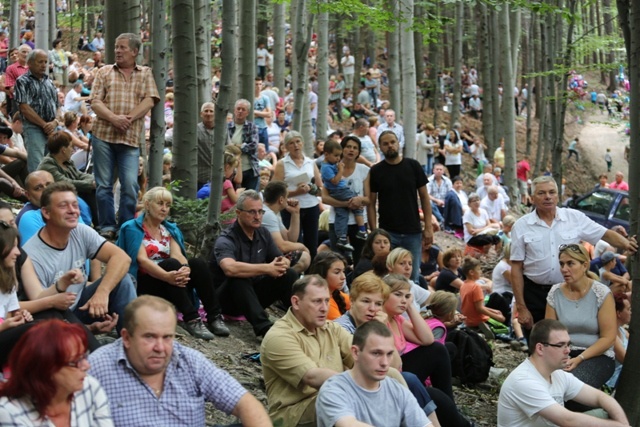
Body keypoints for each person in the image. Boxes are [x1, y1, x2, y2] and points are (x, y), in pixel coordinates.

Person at [89, 295, 270, 426]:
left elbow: (245, 402)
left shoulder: (189, 360)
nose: (160, 347)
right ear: (126, 337)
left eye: (167, 337)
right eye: (150, 337)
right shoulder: (98, 368)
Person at [510, 176, 636, 334]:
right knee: (538, 344)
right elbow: (515, 268)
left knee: (568, 340)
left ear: (558, 195)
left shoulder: (574, 218)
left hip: (570, 291)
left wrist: (626, 244)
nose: (547, 197)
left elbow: (605, 234)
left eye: (552, 192)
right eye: (541, 193)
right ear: (533, 197)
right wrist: (521, 307)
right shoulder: (521, 226)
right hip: (535, 293)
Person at [22, 182, 137, 334]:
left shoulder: (80, 231)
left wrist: (101, 292)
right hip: (56, 316)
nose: (72, 211)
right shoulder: (32, 255)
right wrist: (89, 329)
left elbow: (122, 258)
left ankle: (134, 339)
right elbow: (40, 307)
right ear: (46, 213)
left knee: (124, 280)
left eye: (75, 205)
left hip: (82, 303)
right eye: (63, 206)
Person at [117, 187, 228, 339]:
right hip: (145, 282)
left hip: (171, 279)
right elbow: (142, 261)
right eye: (160, 203)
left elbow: (178, 254)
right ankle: (192, 319)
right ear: (148, 204)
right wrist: (167, 276)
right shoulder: (132, 228)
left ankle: (215, 316)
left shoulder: (169, 229)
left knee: (197, 263)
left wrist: (186, 269)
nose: (164, 209)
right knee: (171, 264)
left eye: (168, 205)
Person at [90, 33, 160, 240]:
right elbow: (95, 101)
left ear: (135, 51)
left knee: (130, 185)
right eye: (116, 47)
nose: (117, 51)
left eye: (122, 47)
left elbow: (150, 100)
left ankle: (126, 226)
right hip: (103, 136)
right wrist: (113, 118)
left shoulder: (145, 73)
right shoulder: (104, 71)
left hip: (129, 139)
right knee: (104, 185)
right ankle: (106, 226)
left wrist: (127, 119)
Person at [497, 319, 630, 427]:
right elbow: (567, 420)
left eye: (568, 344)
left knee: (606, 414)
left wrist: (622, 423)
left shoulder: (558, 374)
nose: (567, 351)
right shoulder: (524, 381)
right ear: (540, 348)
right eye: (560, 345)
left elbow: (600, 397)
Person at [260, 275, 355, 426]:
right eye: (317, 301)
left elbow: (365, 359)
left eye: (326, 300)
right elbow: (312, 377)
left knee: (392, 377)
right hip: (292, 414)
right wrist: (359, 387)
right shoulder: (279, 336)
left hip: (334, 397)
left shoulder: (331, 328)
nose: (324, 308)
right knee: (340, 400)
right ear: (296, 302)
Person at [212, 190, 298, 337]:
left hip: (254, 295)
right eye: (252, 212)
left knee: (289, 274)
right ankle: (265, 329)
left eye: (260, 212)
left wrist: (282, 263)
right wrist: (267, 268)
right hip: (227, 299)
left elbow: (279, 258)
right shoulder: (227, 238)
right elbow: (230, 268)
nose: (257, 216)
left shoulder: (263, 233)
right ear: (238, 213)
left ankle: (301, 319)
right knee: (239, 277)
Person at [316, 321, 432, 427]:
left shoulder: (396, 389)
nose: (385, 363)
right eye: (376, 353)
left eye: (389, 354)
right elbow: (347, 424)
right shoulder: (334, 389)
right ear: (355, 353)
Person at [0, 320, 114, 426]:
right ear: (46, 368)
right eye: (76, 361)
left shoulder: (89, 386)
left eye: (84, 356)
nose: (87, 366)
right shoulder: (9, 412)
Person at [545, 243, 616, 392]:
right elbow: (550, 333)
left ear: (585, 265)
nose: (564, 269)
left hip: (596, 355)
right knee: (538, 384)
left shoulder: (601, 293)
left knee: (571, 388)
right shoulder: (555, 292)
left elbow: (608, 338)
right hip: (563, 352)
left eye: (570, 263)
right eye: (562, 264)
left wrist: (579, 359)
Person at [367, 130, 433, 282]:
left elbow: (424, 197)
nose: (390, 146)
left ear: (398, 144)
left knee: (413, 276)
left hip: (413, 231)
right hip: (388, 233)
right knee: (387, 277)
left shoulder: (413, 166)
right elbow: (371, 203)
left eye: (392, 142)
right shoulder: (376, 171)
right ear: (380, 148)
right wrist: (374, 230)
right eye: (385, 144)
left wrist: (428, 226)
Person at [382, 274, 455, 401]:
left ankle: (449, 403)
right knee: (438, 351)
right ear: (383, 295)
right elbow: (392, 364)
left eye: (407, 296)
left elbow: (427, 339)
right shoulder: (380, 320)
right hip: (389, 375)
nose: (404, 300)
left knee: (440, 348)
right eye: (398, 295)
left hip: (403, 371)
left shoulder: (396, 318)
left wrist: (410, 307)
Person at [321, 136, 371, 264]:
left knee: (360, 259)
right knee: (337, 261)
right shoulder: (331, 168)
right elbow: (325, 198)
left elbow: (369, 198)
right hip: (336, 221)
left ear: (358, 152)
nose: (351, 150)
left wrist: (359, 200)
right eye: (348, 146)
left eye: (355, 148)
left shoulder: (364, 170)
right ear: (341, 149)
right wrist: (346, 204)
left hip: (358, 222)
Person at [274, 131, 322, 261]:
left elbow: (320, 187)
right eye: (291, 143)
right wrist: (296, 192)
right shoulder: (282, 164)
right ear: (286, 147)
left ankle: (311, 274)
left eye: (298, 142)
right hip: (291, 207)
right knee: (294, 243)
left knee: (312, 243)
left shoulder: (310, 162)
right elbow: (275, 190)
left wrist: (311, 188)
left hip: (311, 205)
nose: (296, 146)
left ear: (303, 143)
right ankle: (297, 270)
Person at [37, 131, 97, 225]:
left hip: (69, 192)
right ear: (63, 149)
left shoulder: (67, 162)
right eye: (71, 146)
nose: (73, 150)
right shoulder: (48, 164)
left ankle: (99, 222)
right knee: (89, 190)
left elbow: (79, 175)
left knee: (93, 189)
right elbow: (65, 182)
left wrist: (95, 179)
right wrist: (90, 184)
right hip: (56, 197)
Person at [14, 49, 59, 172]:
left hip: (52, 128)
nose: (44, 65)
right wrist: (44, 125)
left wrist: (55, 122)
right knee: (37, 168)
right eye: (40, 62)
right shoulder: (22, 81)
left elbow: (57, 105)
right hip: (34, 129)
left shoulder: (49, 82)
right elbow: (24, 108)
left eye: (45, 62)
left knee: (52, 167)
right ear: (30, 63)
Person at [262, 180, 311, 274]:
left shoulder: (273, 213)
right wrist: (302, 246)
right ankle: (280, 280)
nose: (288, 199)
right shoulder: (268, 214)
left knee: (302, 255)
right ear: (281, 199)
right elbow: (281, 246)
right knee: (304, 257)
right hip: (264, 258)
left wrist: (295, 213)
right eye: (287, 196)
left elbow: (290, 239)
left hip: (269, 255)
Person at [459, 257, 507, 340]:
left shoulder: (463, 285)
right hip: (479, 320)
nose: (481, 272)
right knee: (506, 329)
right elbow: (480, 309)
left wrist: (494, 311)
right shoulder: (476, 287)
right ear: (471, 272)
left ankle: (479, 329)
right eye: (479, 269)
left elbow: (475, 306)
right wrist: (496, 317)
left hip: (468, 320)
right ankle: (486, 329)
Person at [227, 99, 260, 191]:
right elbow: (226, 147)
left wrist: (236, 146)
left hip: (250, 169)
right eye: (238, 108)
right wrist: (243, 146)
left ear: (247, 113)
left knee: (249, 197)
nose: (240, 111)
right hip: (231, 170)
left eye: (243, 109)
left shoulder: (252, 126)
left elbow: (253, 146)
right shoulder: (227, 127)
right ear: (234, 110)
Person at [309, 251, 350, 320]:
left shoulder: (338, 294)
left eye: (343, 271)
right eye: (337, 272)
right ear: (322, 274)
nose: (343, 277)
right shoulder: (324, 304)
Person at [605, 293, 630, 389]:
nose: (631, 312)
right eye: (628, 309)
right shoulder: (611, 334)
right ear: (618, 313)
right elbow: (626, 360)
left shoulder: (622, 330)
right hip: (612, 384)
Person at [196, 102, 215, 189]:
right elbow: (176, 138)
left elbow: (228, 148)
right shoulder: (195, 129)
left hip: (217, 177)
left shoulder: (222, 130)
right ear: (201, 114)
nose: (208, 113)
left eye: (211, 111)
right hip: (200, 177)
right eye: (206, 111)